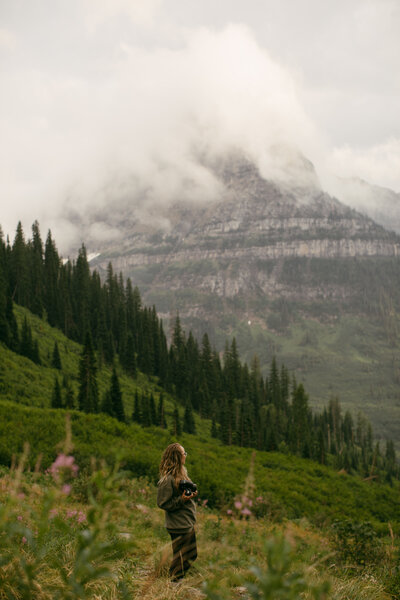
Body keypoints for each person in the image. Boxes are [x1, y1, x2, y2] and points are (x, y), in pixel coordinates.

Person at [157, 442, 198, 581]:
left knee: (183, 556)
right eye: (183, 453)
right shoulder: (167, 479)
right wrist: (182, 499)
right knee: (187, 556)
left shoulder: (181, 474)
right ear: (177, 457)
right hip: (178, 525)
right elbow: (163, 503)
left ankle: (173, 583)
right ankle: (174, 583)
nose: (185, 455)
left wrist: (190, 494)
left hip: (185, 522)